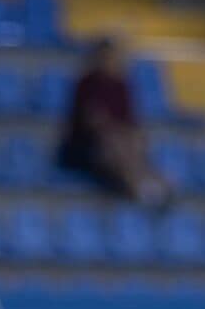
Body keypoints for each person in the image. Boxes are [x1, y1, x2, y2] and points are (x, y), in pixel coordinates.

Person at [56, 38, 169, 206]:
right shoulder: (86, 84)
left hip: (119, 144)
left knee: (132, 142)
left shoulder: (122, 86)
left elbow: (130, 122)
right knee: (115, 143)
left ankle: (146, 182)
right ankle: (139, 187)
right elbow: (92, 122)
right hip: (86, 148)